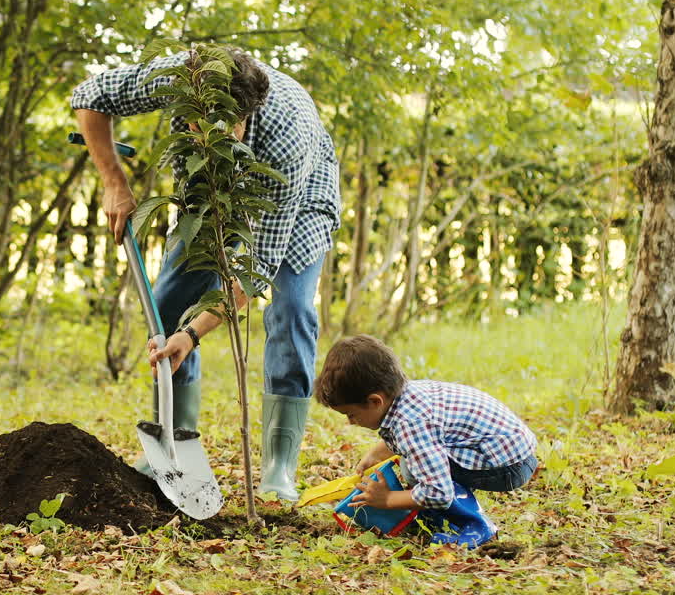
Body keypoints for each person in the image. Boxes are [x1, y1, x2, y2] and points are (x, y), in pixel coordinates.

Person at [70, 46, 340, 500]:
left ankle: (278, 466)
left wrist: (193, 335)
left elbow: (254, 274)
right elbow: (89, 95)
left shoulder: (288, 135)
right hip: (207, 191)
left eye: (223, 128)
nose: (203, 133)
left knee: (290, 310)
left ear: (248, 114)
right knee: (168, 306)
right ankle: (175, 442)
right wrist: (113, 179)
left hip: (301, 197)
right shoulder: (178, 78)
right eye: (196, 122)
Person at [314, 334, 539, 547]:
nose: (351, 423)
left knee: (414, 469)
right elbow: (415, 438)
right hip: (506, 450)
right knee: (415, 463)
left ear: (375, 401)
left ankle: (476, 526)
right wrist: (375, 454)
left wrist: (388, 499)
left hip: (508, 465)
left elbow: (438, 491)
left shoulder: (411, 424)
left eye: (351, 415)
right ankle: (438, 514)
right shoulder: (406, 396)